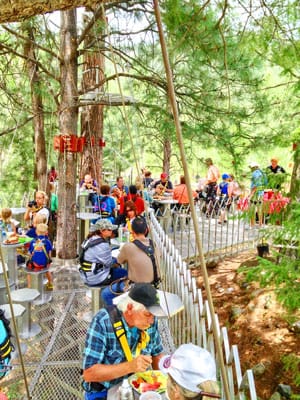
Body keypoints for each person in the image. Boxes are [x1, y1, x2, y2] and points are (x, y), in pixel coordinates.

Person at [82, 283, 165, 399]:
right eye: (147, 314)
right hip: (103, 391)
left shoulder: (150, 322)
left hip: (137, 386)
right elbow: (89, 374)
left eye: (154, 315)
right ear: (130, 308)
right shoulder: (103, 321)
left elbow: (157, 354)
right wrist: (130, 366)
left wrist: (164, 381)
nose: (151, 320)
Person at [101, 216, 160, 305]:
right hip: (153, 285)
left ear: (132, 231)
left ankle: (119, 314)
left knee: (106, 294)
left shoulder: (128, 246)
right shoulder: (154, 244)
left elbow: (117, 263)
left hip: (136, 287)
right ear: (146, 230)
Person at [78, 219, 127, 287]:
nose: (111, 231)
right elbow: (109, 264)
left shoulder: (90, 239)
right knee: (126, 273)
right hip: (97, 278)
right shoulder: (102, 244)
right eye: (109, 229)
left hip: (87, 275)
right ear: (101, 231)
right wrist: (119, 260)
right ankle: (115, 294)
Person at [26, 223, 53, 290]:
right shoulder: (48, 242)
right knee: (47, 271)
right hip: (45, 265)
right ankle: (50, 284)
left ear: (36, 232)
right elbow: (49, 255)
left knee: (28, 272)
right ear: (46, 232)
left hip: (35, 265)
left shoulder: (32, 241)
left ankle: (29, 286)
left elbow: (30, 254)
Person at [248, 161, 268, 227]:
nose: (250, 169)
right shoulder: (263, 174)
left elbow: (255, 185)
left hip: (255, 193)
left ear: (253, 167)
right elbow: (265, 183)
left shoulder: (254, 174)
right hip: (261, 193)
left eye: (251, 168)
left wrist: (251, 195)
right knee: (260, 208)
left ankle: (252, 224)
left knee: (252, 208)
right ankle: (260, 224)